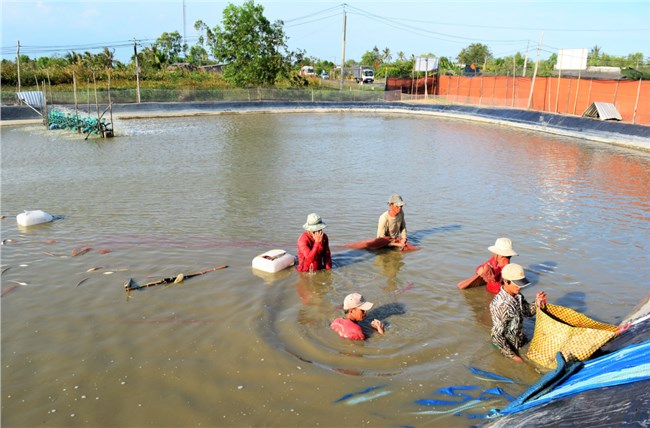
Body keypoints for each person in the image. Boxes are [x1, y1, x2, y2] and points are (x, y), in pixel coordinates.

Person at [489, 263, 547, 363]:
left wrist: (537, 302)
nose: (520, 287)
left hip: (519, 340)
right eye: (517, 283)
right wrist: (513, 356)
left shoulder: (517, 296)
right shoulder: (501, 305)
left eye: (521, 283)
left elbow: (527, 312)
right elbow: (497, 335)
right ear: (506, 281)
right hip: (505, 347)